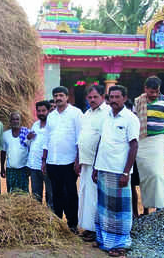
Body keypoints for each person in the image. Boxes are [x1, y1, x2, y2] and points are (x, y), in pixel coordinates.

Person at [92, 85, 140, 257]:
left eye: (117, 97)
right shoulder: (106, 117)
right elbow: (101, 142)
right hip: (103, 168)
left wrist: (126, 172)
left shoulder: (130, 118)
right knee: (103, 207)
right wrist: (95, 168)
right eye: (111, 97)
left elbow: (134, 145)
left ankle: (120, 244)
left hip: (119, 171)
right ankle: (104, 240)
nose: (113, 100)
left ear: (125, 98)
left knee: (119, 210)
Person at [42, 86, 82, 234]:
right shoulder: (51, 116)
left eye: (60, 95)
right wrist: (44, 160)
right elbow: (46, 139)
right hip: (53, 161)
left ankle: (72, 224)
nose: (58, 98)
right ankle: (58, 224)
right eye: (55, 96)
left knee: (70, 193)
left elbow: (79, 139)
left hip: (69, 162)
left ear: (67, 97)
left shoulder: (76, 113)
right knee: (56, 193)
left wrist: (78, 160)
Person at [134, 76, 164, 215]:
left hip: (158, 140)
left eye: (156, 92)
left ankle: (162, 204)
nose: (153, 95)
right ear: (145, 89)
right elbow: (133, 121)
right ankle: (147, 207)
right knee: (145, 176)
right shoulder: (138, 101)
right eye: (151, 92)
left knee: (157, 174)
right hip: (142, 141)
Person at [75, 85, 109, 242]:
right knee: (85, 196)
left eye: (95, 97)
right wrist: (77, 160)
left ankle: (97, 230)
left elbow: (104, 140)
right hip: (85, 162)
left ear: (102, 96)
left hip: (99, 164)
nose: (92, 100)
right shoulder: (86, 114)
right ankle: (89, 227)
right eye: (90, 98)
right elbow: (81, 138)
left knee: (96, 197)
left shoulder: (107, 113)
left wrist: (97, 165)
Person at [27, 100, 53, 209]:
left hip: (47, 165)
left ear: (49, 111)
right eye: (39, 111)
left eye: (43, 111)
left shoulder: (52, 125)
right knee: (36, 194)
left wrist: (45, 162)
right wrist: (28, 138)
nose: (41, 113)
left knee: (50, 194)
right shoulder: (35, 125)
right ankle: (38, 218)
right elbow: (30, 144)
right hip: (34, 166)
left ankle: (52, 218)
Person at [0, 112, 30, 193]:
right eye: (13, 119)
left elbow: (31, 151)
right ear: (10, 121)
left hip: (23, 169)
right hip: (10, 169)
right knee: (11, 193)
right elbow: (3, 152)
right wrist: (2, 168)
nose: (15, 121)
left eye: (17, 119)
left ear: (20, 121)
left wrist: (29, 166)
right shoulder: (5, 135)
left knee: (24, 193)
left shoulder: (27, 133)